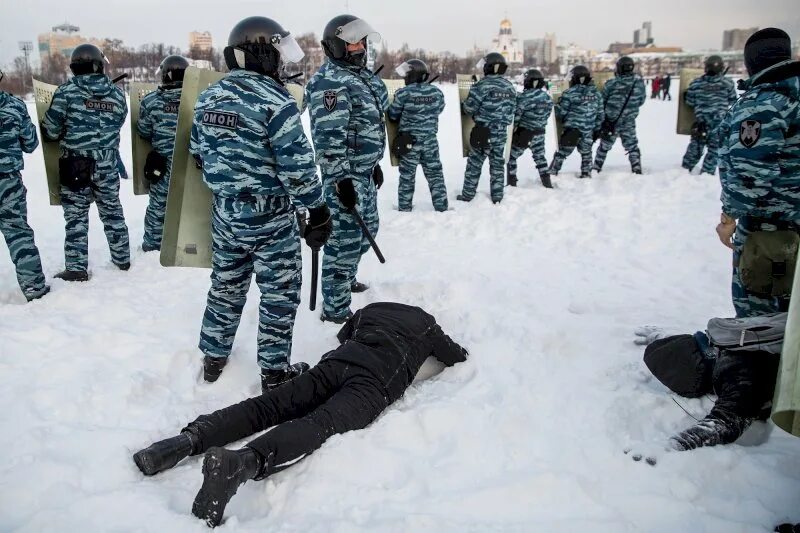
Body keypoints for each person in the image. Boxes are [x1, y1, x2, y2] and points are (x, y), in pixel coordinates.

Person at [132, 302, 468, 527]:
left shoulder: (369, 311)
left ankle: (179, 444)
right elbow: (455, 356)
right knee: (320, 424)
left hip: (334, 365)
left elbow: (343, 335)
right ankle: (241, 464)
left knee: (267, 406)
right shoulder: (427, 326)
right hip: (371, 382)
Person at [189, 16, 332, 390]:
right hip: (270, 215)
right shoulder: (276, 101)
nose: (280, 63)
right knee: (279, 291)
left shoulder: (208, 98)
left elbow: (197, 154)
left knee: (226, 284)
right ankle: (274, 372)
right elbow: (298, 166)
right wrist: (317, 210)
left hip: (225, 213)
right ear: (260, 54)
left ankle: (213, 357)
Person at [305, 14, 389, 322]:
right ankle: (336, 310)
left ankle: (347, 278)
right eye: (352, 42)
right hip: (344, 178)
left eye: (361, 41)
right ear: (336, 46)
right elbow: (328, 140)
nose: (359, 48)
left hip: (363, 174)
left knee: (365, 234)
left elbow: (367, 126)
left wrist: (374, 164)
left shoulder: (360, 77)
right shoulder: (330, 83)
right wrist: (341, 181)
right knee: (342, 245)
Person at [715, 28, 800, 318]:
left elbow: (750, 175)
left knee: (759, 315)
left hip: (772, 230)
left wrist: (728, 218)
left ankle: (759, 362)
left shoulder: (764, 103)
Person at [629, 312, 785, 465]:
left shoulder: (738, 370)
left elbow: (726, 422)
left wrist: (674, 445)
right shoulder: (726, 336)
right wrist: (663, 342)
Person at [41, 43, 130, 282]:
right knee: (113, 213)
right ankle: (122, 259)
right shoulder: (117, 94)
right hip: (107, 165)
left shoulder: (66, 92)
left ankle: (77, 268)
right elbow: (119, 120)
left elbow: (50, 130)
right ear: (99, 65)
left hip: (75, 166)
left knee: (76, 217)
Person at [0, 69, 49, 301]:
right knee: (18, 233)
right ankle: (34, 288)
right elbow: (30, 143)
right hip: (7, 181)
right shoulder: (14, 106)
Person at [137, 55, 188, 252]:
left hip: (162, 165)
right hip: (192, 163)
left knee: (158, 207)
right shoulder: (199, 99)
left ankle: (153, 245)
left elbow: (143, 131)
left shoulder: (150, 101)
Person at [387, 59, 448, 211]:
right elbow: (439, 109)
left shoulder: (403, 93)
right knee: (435, 174)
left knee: (407, 176)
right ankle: (441, 207)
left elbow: (393, 115)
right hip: (430, 142)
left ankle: (405, 208)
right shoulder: (437, 93)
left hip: (409, 142)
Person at [457, 52, 517, 204]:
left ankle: (468, 195)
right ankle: (497, 197)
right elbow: (512, 111)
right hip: (501, 132)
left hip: (483, 132)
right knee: (497, 165)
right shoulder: (510, 87)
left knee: (474, 164)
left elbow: (469, 108)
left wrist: (464, 105)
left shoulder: (482, 85)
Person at [681, 55, 738, 175]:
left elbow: (690, 102)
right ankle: (707, 172)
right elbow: (733, 102)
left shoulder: (696, 83)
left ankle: (685, 170)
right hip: (720, 123)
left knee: (695, 147)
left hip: (701, 123)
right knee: (714, 149)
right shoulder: (728, 83)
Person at [592, 56, 646, 174]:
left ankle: (596, 167)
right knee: (632, 145)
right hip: (629, 121)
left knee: (604, 146)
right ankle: (636, 167)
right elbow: (641, 101)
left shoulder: (611, 83)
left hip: (611, 122)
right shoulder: (639, 84)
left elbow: (602, 102)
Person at [548, 65, 604, 179]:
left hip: (572, 130)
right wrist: (596, 129)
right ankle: (586, 174)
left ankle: (552, 173)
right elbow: (600, 115)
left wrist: (556, 106)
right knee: (586, 153)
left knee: (562, 153)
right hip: (588, 130)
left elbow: (562, 113)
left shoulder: (569, 93)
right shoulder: (596, 94)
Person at [507, 69, 553, 188]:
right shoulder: (547, 98)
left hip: (524, 133)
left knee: (511, 157)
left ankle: (512, 184)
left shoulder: (523, 97)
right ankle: (547, 183)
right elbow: (547, 115)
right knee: (540, 158)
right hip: (540, 133)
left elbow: (516, 118)